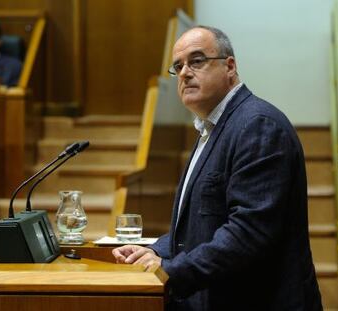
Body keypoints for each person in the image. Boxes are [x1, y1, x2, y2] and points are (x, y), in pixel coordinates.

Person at [112, 26, 322, 310]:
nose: (184, 72)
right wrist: (153, 251)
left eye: (196, 61)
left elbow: (248, 233)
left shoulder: (257, 126)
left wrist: (170, 270)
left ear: (230, 66)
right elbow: (203, 226)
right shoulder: (211, 129)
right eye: (178, 66)